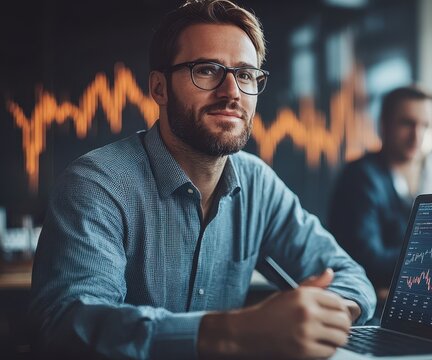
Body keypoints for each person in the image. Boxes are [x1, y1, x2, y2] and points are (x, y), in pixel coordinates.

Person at [28, 1, 376, 359]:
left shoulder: (258, 184)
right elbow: (67, 324)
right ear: (159, 88)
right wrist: (234, 334)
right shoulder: (97, 184)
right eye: (207, 70)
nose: (232, 92)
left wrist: (326, 315)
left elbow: (351, 278)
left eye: (245, 75)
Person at [328, 86, 432, 302]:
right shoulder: (360, 177)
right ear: (384, 125)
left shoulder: (430, 173)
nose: (417, 136)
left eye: (426, 126)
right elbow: (369, 260)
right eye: (407, 123)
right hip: (367, 303)